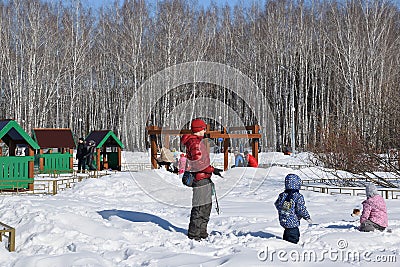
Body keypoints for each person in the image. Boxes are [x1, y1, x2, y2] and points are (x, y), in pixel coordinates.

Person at [181, 118, 223, 241]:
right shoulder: (194, 143)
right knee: (200, 207)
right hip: (200, 178)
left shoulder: (198, 142)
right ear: (199, 129)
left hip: (204, 177)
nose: (205, 131)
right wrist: (211, 170)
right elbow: (199, 163)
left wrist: (211, 170)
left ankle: (202, 232)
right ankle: (194, 234)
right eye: (204, 128)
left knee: (206, 206)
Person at [275, 174, 312, 244]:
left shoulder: (282, 195)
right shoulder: (297, 196)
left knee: (287, 235)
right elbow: (301, 208)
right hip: (293, 222)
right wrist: (306, 216)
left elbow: (277, 204)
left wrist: (282, 211)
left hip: (283, 221)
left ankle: (285, 244)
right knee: (293, 238)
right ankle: (291, 248)